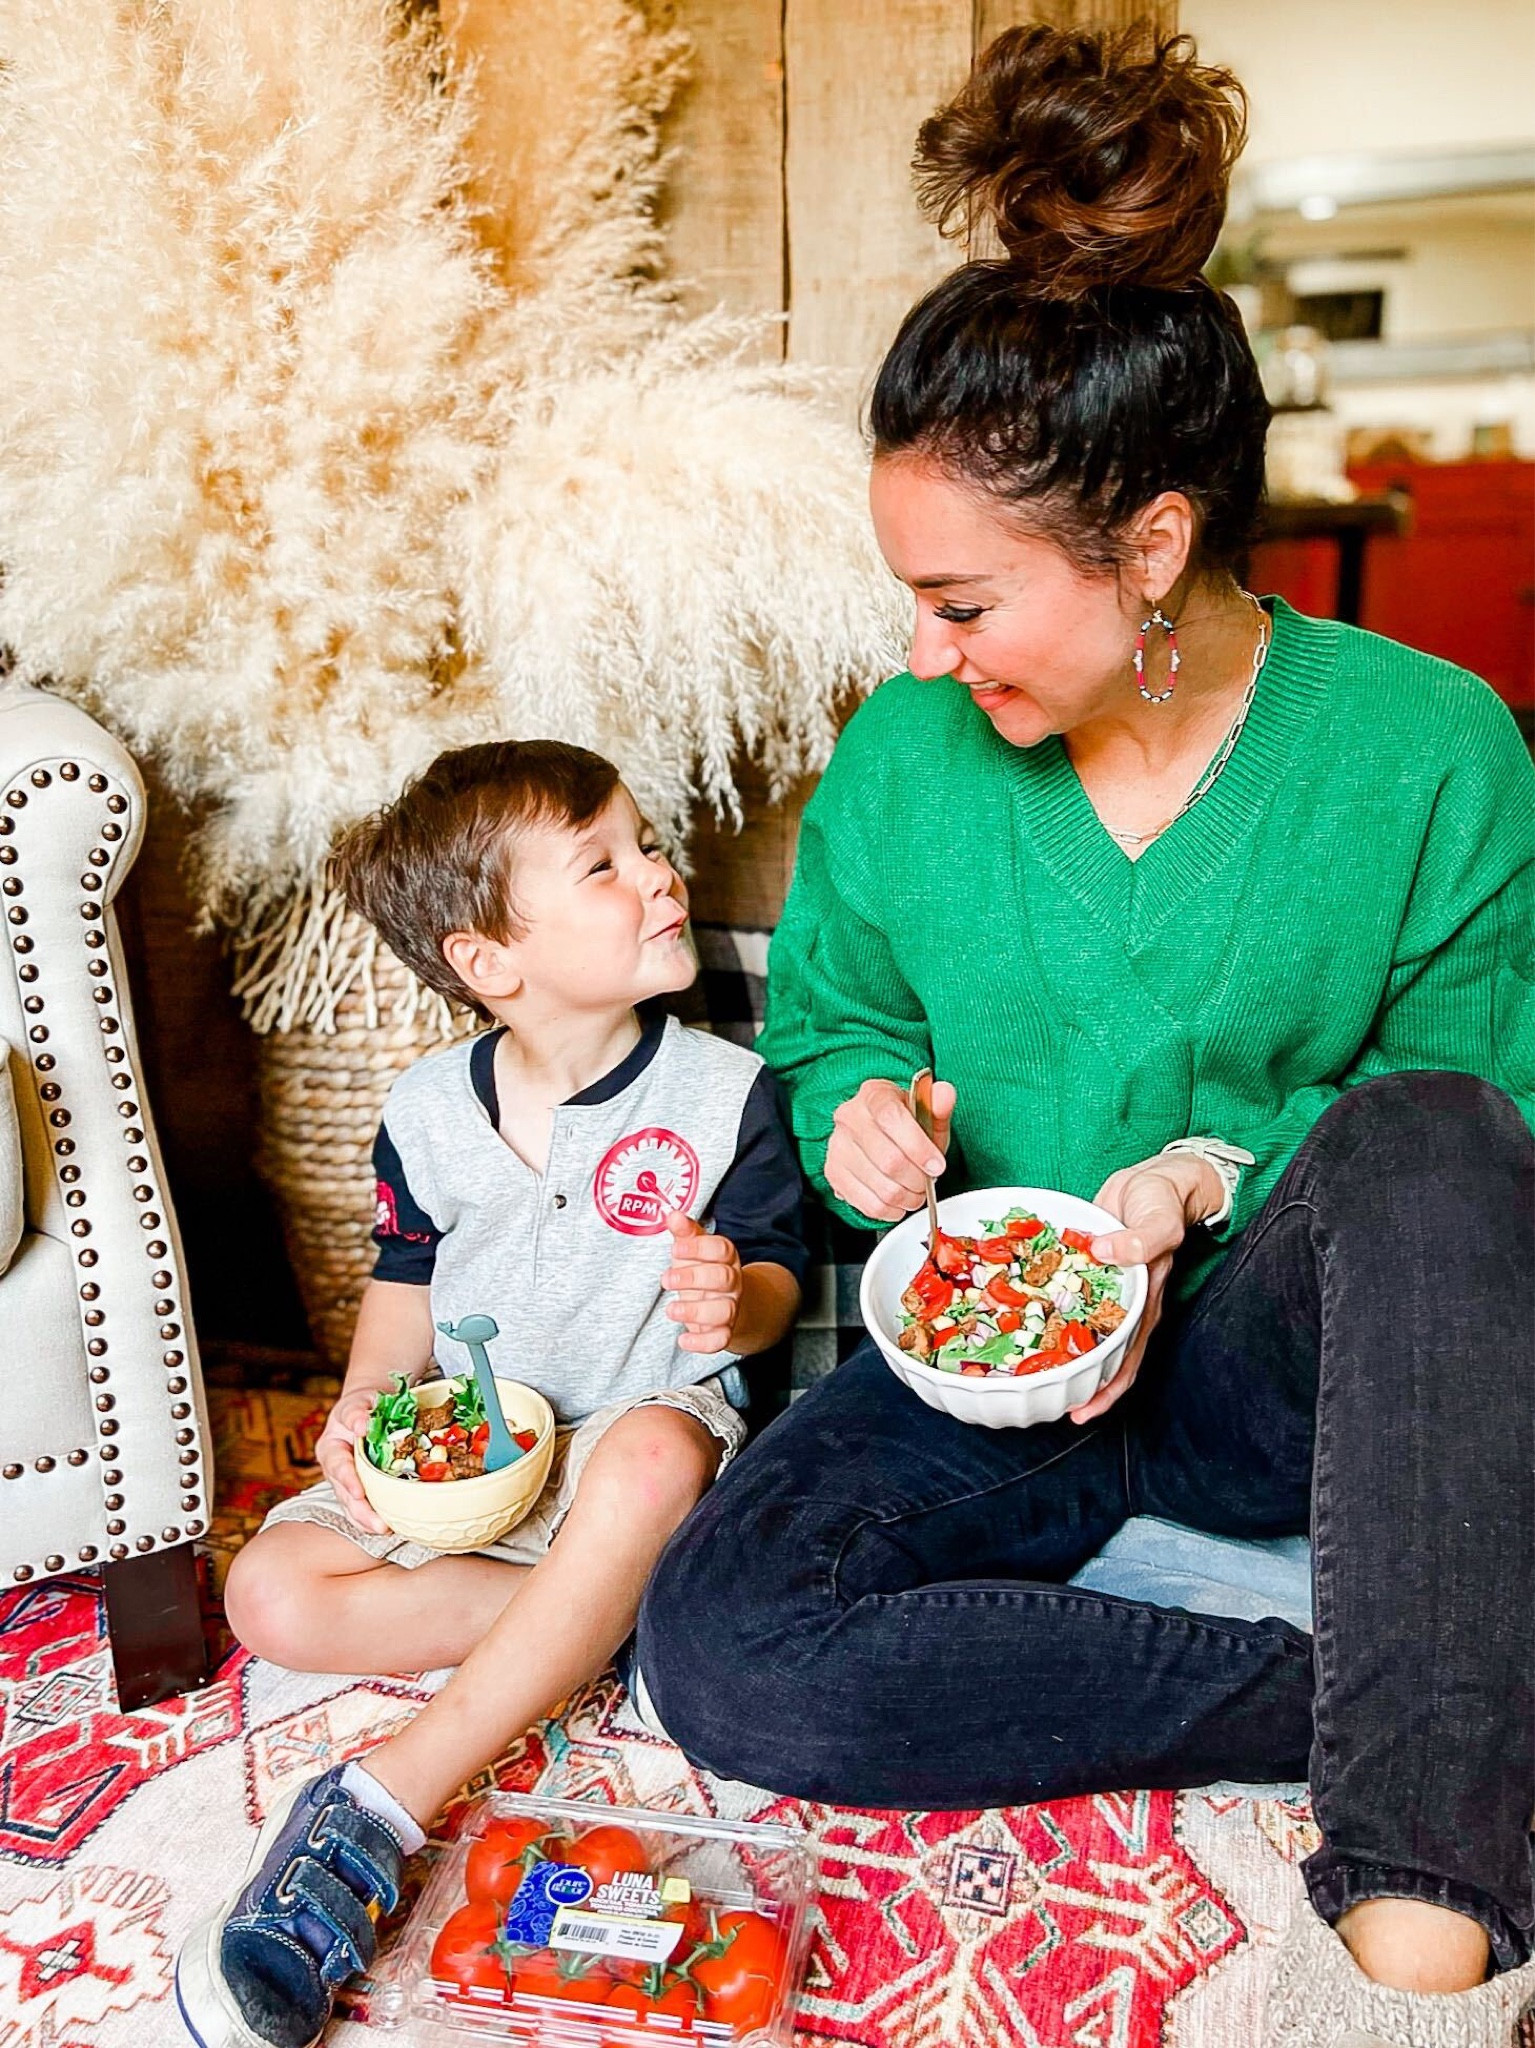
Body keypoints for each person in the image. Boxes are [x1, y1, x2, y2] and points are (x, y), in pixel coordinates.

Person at [634, 25, 1535, 2048]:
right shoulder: (905, 759)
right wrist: (857, 1113)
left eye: (964, 605)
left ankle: (1423, 1882)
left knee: (1434, 1135)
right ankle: (1421, 1686)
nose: (922, 654)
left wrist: (1212, 1174)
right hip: (988, 1361)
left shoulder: (1431, 749)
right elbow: (838, 1019)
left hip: (1267, 1372)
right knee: (724, 1645)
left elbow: (1484, 1131)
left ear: (1149, 548)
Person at [174, 740, 806, 2048]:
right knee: (268, 1593)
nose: (659, 875)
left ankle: (382, 1802)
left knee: (652, 1453)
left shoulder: (727, 1094)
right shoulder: (423, 1112)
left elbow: (774, 1288)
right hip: (474, 1458)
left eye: (646, 845)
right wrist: (365, 1397)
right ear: (490, 961)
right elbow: (404, 1279)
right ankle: (607, 1628)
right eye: (602, 865)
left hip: (637, 1453)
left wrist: (731, 1298)